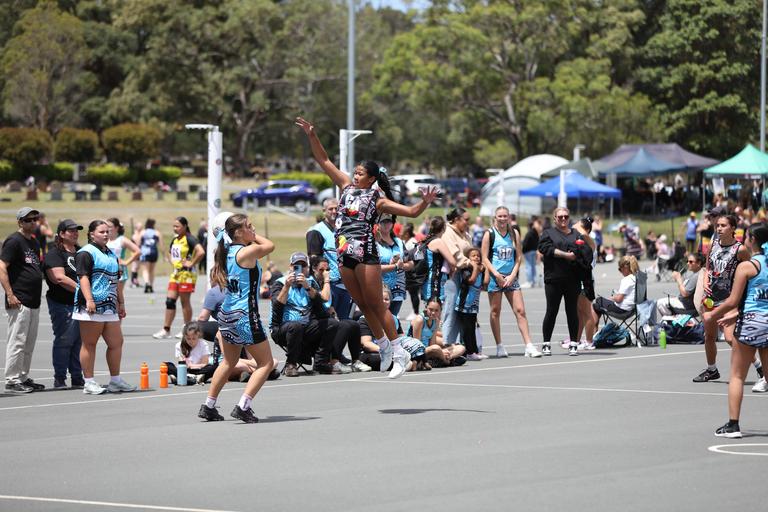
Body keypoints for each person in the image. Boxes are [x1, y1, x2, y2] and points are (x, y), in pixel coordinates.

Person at [296, 116, 438, 379]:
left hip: (365, 254)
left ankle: (399, 351)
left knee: (375, 304)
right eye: (355, 172)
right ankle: (384, 347)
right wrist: (312, 135)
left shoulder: (377, 199)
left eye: (360, 173)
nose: (355, 175)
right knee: (361, 303)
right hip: (344, 254)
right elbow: (324, 160)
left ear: (372, 179)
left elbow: (411, 212)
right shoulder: (345, 187)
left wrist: (425, 202)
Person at [198, 213, 275, 423]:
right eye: (249, 226)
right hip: (245, 316)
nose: (253, 229)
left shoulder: (226, 252)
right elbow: (270, 245)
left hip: (226, 315)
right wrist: (254, 236)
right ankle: (243, 406)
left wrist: (242, 234)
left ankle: (208, 405)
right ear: (239, 232)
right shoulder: (246, 252)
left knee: (228, 362)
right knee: (266, 363)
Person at [704, 222, 768, 438]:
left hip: (751, 323)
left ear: (752, 240)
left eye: (746, 236)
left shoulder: (747, 266)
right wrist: (733, 314)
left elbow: (733, 300)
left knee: (737, 376)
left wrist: (713, 314)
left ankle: (733, 425)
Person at [74, 220, 136, 395]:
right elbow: (83, 278)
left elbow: (116, 281)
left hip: (110, 306)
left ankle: (115, 381)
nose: (106, 234)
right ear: (92, 234)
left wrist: (121, 302)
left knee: (116, 342)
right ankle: (89, 382)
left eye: (107, 231)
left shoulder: (110, 254)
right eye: (101, 232)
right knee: (90, 344)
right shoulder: (86, 253)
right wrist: (89, 300)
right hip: (92, 305)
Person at [693, 213, 755, 383]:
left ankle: (759, 365)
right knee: (709, 336)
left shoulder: (740, 249)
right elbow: (708, 267)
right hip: (711, 298)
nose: (719, 228)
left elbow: (751, 272)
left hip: (730, 299)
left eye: (723, 225)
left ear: (733, 228)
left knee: (729, 338)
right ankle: (711, 369)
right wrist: (705, 281)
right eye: (718, 225)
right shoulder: (713, 244)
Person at [482, 206, 541, 358]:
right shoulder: (489, 234)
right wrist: (496, 275)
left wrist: (513, 275)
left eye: (505, 216)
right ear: (495, 218)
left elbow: (519, 257)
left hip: (511, 277)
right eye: (500, 216)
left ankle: (529, 345)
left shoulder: (514, 233)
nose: (503, 219)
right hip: (496, 278)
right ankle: (499, 345)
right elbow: (484, 258)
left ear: (509, 217)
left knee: (520, 310)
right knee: (495, 311)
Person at [270, 252, 337, 377]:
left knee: (331, 323)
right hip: (282, 327)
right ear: (290, 267)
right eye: (296, 266)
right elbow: (277, 306)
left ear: (307, 268)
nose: (300, 269)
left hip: (306, 326)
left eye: (303, 266)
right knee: (295, 326)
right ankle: (291, 364)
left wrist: (307, 287)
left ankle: (320, 362)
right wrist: (287, 286)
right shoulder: (280, 283)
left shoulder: (310, 283)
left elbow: (320, 305)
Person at [0, 207, 45, 393]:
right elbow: (2, 267)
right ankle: (12, 380)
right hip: (19, 299)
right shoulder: (14, 241)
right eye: (28, 220)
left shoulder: (34, 242)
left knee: (28, 343)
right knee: (17, 341)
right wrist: (10, 294)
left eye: (35, 219)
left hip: (33, 299)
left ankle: (23, 376)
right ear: (20, 222)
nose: (33, 222)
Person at [43, 219, 85, 389]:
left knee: (78, 342)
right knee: (64, 340)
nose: (75, 233)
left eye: (77, 230)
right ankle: (59, 378)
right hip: (62, 304)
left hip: (81, 305)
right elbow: (59, 278)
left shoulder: (81, 252)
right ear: (61, 234)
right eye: (71, 230)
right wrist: (83, 290)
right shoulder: (55, 254)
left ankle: (77, 377)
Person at [538, 207, 583, 356]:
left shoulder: (576, 234)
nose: (563, 219)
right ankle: (546, 343)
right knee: (551, 311)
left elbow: (582, 250)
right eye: (560, 217)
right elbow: (545, 248)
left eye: (566, 216)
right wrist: (565, 255)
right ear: (555, 219)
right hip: (553, 279)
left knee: (572, 311)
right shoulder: (548, 233)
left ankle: (574, 343)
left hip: (573, 279)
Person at [153, 217, 205, 339]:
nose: (175, 228)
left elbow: (201, 252)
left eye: (177, 226)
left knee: (184, 302)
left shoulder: (190, 239)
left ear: (185, 226)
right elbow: (170, 253)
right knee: (170, 301)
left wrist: (191, 263)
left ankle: (187, 329)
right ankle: (166, 330)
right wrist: (172, 261)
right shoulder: (175, 239)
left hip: (187, 275)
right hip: (176, 274)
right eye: (174, 226)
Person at [307, 198, 356, 320]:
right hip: (329, 283)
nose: (334, 211)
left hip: (345, 282)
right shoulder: (316, 231)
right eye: (330, 209)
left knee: (345, 320)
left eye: (336, 208)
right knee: (329, 319)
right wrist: (322, 282)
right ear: (324, 211)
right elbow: (314, 260)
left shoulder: (343, 229)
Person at [583, 256, 639, 349]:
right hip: (633, 310)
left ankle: (592, 337)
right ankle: (594, 336)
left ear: (625, 268)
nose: (620, 272)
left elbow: (619, 299)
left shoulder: (626, 280)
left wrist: (613, 297)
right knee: (598, 305)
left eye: (620, 269)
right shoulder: (637, 277)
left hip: (622, 310)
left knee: (597, 302)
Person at [440, 208, 472, 345]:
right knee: (450, 309)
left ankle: (456, 344)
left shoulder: (465, 234)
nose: (468, 223)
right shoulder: (448, 233)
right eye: (466, 220)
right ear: (456, 219)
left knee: (460, 310)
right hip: (452, 276)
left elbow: (470, 252)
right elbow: (456, 257)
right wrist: (473, 263)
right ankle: (445, 343)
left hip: (464, 275)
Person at [408, 298, 466, 367]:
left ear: (440, 310)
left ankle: (440, 359)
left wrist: (441, 352)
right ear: (426, 308)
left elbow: (432, 343)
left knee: (461, 348)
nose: (433, 313)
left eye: (436, 310)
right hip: (416, 352)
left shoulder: (436, 321)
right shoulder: (419, 320)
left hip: (429, 350)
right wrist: (441, 352)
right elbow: (417, 347)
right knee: (436, 348)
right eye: (431, 309)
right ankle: (447, 362)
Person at [376, 213, 412, 316]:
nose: (386, 224)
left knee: (393, 319)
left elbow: (411, 262)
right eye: (383, 222)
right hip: (381, 288)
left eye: (389, 222)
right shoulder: (374, 243)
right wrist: (394, 266)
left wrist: (402, 266)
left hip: (398, 288)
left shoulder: (399, 242)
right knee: (380, 318)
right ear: (378, 225)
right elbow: (374, 268)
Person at [456, 247, 485, 361]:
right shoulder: (466, 269)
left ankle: (475, 351)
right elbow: (471, 281)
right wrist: (476, 269)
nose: (476, 257)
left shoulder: (480, 270)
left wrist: (485, 268)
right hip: (464, 304)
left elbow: (485, 283)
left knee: (472, 327)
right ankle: (469, 352)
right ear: (468, 258)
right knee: (467, 329)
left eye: (478, 256)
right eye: (473, 256)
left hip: (473, 305)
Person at [572, 217, 597, 350]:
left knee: (587, 311)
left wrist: (578, 229)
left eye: (577, 226)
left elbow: (586, 236)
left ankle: (589, 341)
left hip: (585, 281)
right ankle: (576, 340)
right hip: (578, 280)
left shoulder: (590, 243)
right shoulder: (580, 241)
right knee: (579, 313)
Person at [420, 216, 457, 304]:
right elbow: (452, 262)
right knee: (435, 309)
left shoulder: (427, 240)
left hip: (427, 280)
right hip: (435, 281)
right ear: (444, 228)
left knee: (430, 308)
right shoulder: (438, 242)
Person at [106, 218, 140, 299]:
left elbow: (138, 251)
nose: (107, 228)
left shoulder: (122, 240)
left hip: (119, 271)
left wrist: (126, 262)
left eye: (110, 226)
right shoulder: (105, 239)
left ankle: (120, 307)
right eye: (106, 226)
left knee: (117, 295)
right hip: (106, 270)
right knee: (107, 295)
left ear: (116, 228)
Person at [139, 218, 163, 293]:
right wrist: (164, 254)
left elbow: (139, 243)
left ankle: (147, 283)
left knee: (145, 270)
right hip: (154, 251)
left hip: (145, 252)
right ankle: (151, 286)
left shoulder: (143, 232)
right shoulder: (157, 233)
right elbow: (161, 245)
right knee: (152, 270)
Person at [521, 216, 541, 288]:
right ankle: (533, 281)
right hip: (533, 250)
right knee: (532, 266)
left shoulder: (529, 233)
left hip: (528, 251)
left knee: (528, 266)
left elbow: (525, 243)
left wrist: (523, 250)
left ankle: (529, 281)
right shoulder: (536, 232)